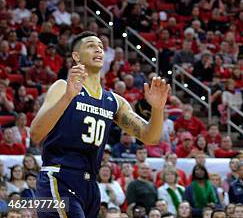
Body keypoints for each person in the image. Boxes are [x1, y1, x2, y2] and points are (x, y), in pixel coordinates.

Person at [30, 31, 170, 218]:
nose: (98, 49)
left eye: (101, 47)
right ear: (76, 56)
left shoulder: (114, 101)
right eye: (90, 45)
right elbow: (35, 133)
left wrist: (158, 109)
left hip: (90, 186)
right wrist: (68, 97)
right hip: (57, 178)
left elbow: (150, 137)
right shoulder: (62, 87)